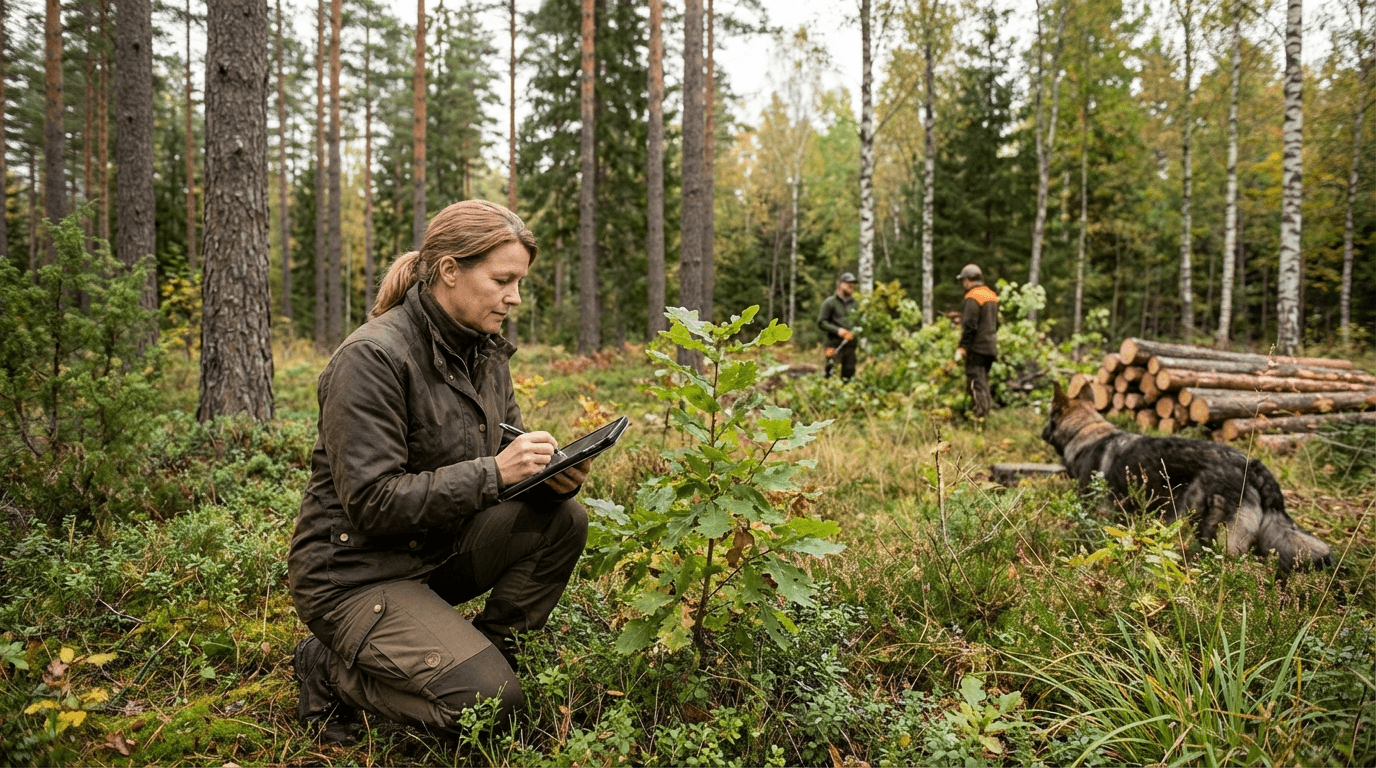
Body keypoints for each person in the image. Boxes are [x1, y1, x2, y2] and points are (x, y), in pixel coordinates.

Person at [287, 200, 593, 744]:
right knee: (491, 710)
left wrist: (548, 476)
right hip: (355, 576)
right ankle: (328, 669)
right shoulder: (372, 359)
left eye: (519, 282)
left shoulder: (485, 353)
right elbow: (372, 503)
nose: (514, 298)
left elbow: (504, 449)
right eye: (502, 280)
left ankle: (485, 660)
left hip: (432, 553)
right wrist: (495, 474)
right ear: (450, 270)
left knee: (562, 518)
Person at [955, 263, 999, 419]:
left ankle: (980, 418)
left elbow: (969, 327)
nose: (963, 284)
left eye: (963, 281)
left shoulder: (972, 298)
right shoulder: (991, 296)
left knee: (976, 384)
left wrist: (962, 347)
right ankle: (980, 416)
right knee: (982, 382)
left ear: (968, 280)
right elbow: (996, 324)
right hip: (990, 348)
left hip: (977, 349)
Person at [817, 272, 859, 381]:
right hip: (833, 344)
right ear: (840, 284)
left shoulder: (855, 304)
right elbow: (821, 322)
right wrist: (838, 331)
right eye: (849, 284)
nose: (852, 286)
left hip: (850, 345)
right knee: (830, 373)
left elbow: (860, 323)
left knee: (849, 374)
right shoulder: (829, 303)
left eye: (853, 284)